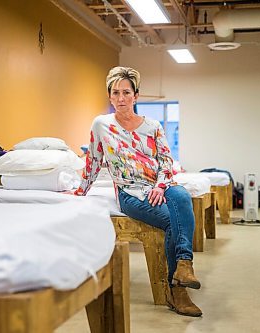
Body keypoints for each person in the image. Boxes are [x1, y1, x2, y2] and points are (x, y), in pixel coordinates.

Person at [75, 66, 202, 317]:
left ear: (136, 95)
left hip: (160, 186)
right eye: (115, 93)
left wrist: (159, 185)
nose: (121, 98)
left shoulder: (152, 126)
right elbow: (94, 160)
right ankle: (177, 290)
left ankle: (183, 267)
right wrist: (81, 190)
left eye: (126, 92)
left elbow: (166, 161)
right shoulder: (102, 125)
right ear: (109, 96)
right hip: (130, 193)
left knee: (183, 196)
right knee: (171, 220)